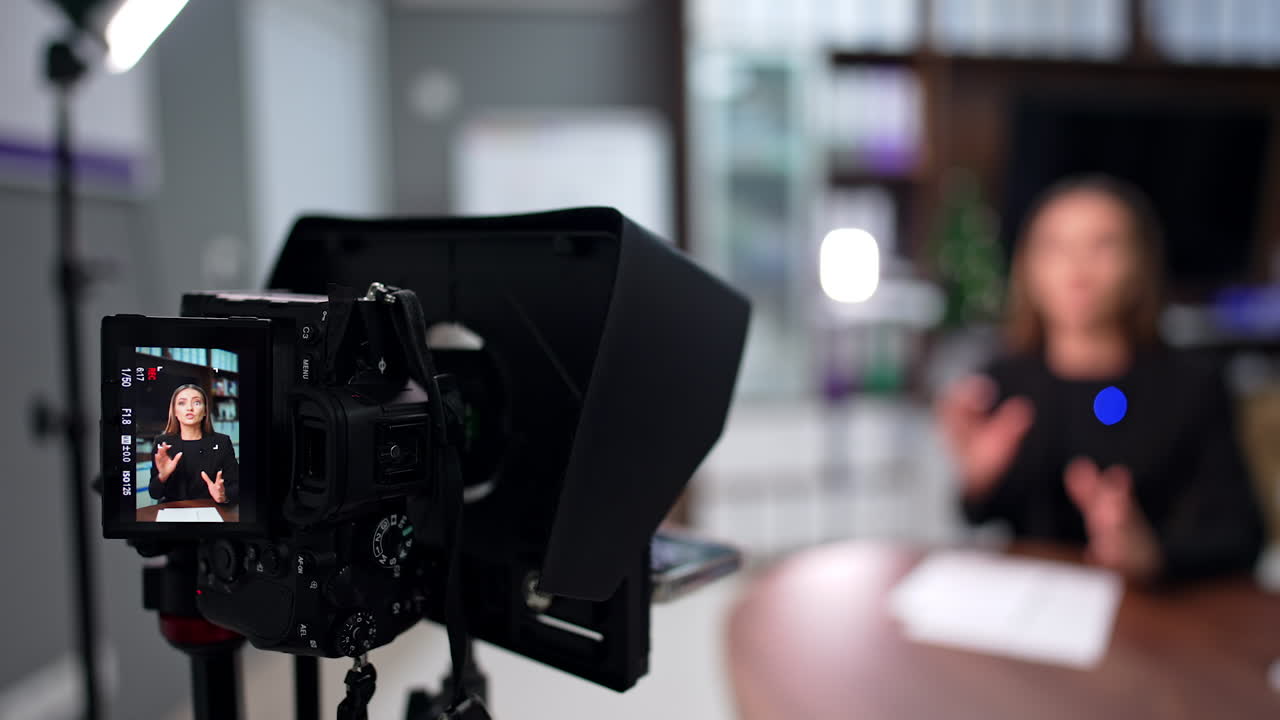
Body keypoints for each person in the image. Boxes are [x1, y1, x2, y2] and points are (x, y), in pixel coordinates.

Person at [937, 175, 1266, 582]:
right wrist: (978, 481)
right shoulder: (1003, 381)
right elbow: (984, 515)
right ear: (1027, 266)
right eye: (1055, 246)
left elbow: (1242, 536)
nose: (1077, 266)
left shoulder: (1194, 386)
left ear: (1140, 264)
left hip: (1157, 613)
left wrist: (1153, 555)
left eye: (1103, 245)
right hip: (1034, 607)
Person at [149, 383, 239, 506]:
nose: (189, 408)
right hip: (174, 511)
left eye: (196, 403)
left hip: (212, 510)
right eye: (182, 403)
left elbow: (236, 485)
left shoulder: (222, 442)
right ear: (174, 411)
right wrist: (162, 476)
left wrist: (223, 496)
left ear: (205, 411)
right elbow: (154, 493)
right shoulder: (163, 443)